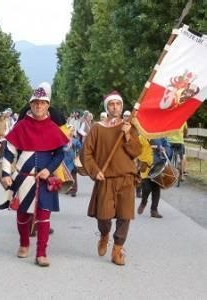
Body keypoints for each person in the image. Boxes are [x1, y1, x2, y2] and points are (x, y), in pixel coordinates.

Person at [1, 82, 68, 267]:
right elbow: (9, 150)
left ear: (48, 106)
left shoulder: (53, 127)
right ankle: (24, 243)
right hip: (24, 178)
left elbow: (60, 153)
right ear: (31, 105)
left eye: (43, 103)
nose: (39, 106)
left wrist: (49, 169)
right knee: (22, 215)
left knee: (44, 216)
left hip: (45, 179)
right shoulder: (21, 126)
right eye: (35, 103)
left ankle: (41, 253)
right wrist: (6, 173)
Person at [81, 90, 141, 266]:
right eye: (111, 104)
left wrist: (128, 135)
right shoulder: (97, 128)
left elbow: (137, 151)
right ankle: (104, 234)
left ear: (122, 106)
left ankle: (117, 249)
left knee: (124, 216)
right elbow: (86, 153)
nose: (115, 107)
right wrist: (94, 170)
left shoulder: (130, 126)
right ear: (107, 107)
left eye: (118, 104)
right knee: (104, 217)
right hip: (105, 178)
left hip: (126, 178)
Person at [137, 137, 172, 218]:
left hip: (157, 166)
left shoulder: (160, 136)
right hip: (145, 166)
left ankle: (154, 210)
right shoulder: (141, 136)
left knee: (156, 188)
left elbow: (168, 147)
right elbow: (135, 150)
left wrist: (165, 150)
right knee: (146, 187)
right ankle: (144, 202)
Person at [63, 124, 82, 197]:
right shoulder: (63, 139)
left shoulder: (75, 140)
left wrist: (77, 151)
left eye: (72, 130)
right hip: (65, 160)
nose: (71, 132)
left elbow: (80, 148)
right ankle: (67, 189)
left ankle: (74, 190)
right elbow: (59, 148)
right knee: (66, 175)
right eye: (70, 130)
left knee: (73, 175)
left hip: (72, 160)